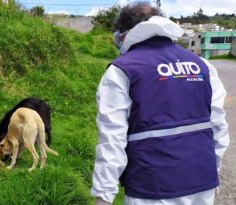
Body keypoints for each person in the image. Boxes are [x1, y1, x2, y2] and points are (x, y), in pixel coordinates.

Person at [91, 2, 230, 205]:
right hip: (201, 182)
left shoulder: (122, 70)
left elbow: (112, 139)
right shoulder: (203, 65)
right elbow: (218, 127)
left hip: (152, 187)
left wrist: (104, 196)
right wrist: (212, 172)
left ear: (122, 35)